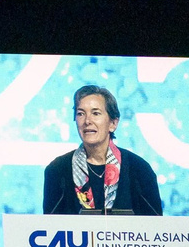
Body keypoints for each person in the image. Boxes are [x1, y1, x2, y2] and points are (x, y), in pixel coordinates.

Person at [41, 85, 163, 215]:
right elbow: (50, 227)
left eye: (96, 113)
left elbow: (155, 228)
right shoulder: (58, 169)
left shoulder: (139, 169)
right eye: (80, 113)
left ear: (113, 123)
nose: (87, 121)